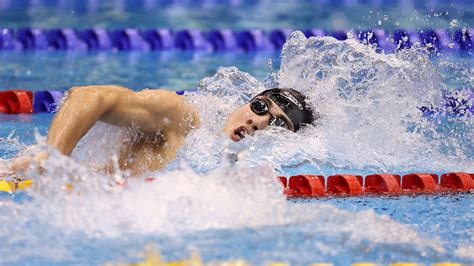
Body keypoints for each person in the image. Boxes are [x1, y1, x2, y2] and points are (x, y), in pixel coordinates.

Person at [6, 85, 314, 176]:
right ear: (245, 103)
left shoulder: (261, 172)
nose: (259, 122)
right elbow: (88, 96)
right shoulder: (186, 120)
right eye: (260, 108)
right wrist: (54, 157)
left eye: (277, 124)